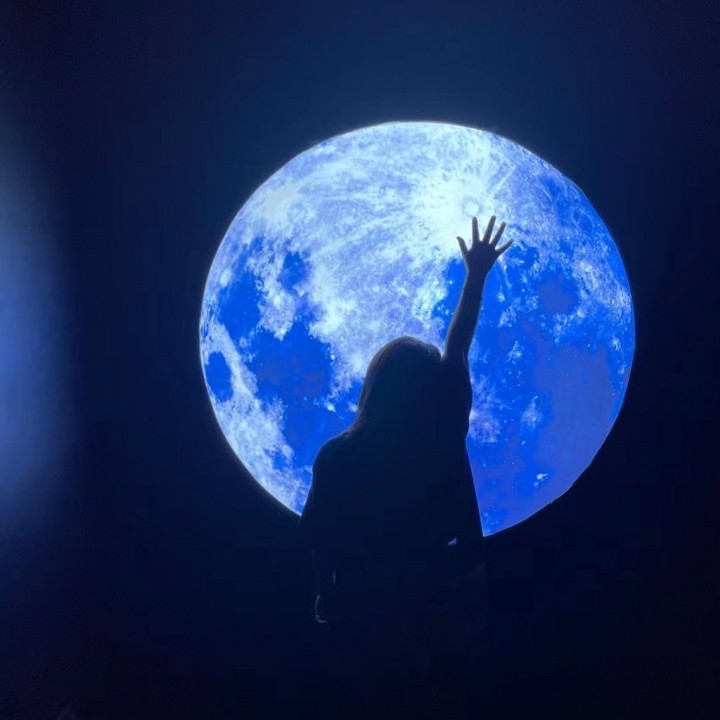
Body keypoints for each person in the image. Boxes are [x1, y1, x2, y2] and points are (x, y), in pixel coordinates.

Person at [298, 215, 513, 714]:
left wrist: (324, 595)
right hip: (431, 605)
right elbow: (458, 348)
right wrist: (475, 276)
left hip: (363, 608)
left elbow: (317, 537)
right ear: (434, 394)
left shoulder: (339, 455)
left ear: (374, 387)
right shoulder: (442, 438)